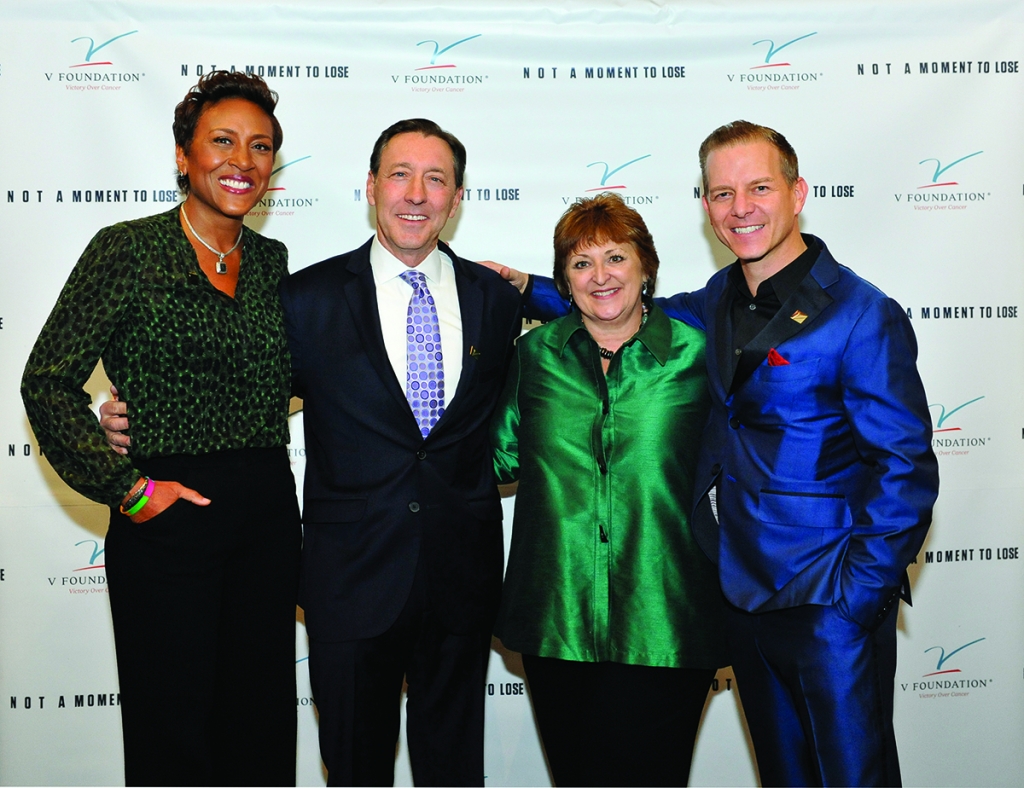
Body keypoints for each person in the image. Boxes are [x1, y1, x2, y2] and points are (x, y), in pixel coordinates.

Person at [489, 120, 939, 787]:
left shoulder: (862, 313)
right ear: (706, 207)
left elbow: (904, 469)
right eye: (722, 193)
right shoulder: (717, 302)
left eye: (758, 187)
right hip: (742, 604)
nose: (740, 207)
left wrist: (855, 599)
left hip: (828, 605)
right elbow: (618, 306)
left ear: (798, 193)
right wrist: (529, 285)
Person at [21, 71, 301, 786]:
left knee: (262, 727)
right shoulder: (126, 250)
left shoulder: (273, 265)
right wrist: (125, 486)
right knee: (172, 733)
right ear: (184, 155)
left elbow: (285, 381)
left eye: (261, 146)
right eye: (223, 142)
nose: (243, 161)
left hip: (267, 518)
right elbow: (47, 380)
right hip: (167, 520)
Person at [280, 119, 521, 786]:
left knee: (454, 770)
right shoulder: (306, 299)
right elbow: (244, 396)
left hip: (460, 581)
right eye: (400, 174)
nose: (416, 194)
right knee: (356, 770)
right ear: (370, 187)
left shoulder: (496, 301)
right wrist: (137, 415)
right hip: (349, 583)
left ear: (457, 197)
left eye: (436, 178)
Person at [490, 193, 724, 787]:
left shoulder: (700, 360)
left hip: (667, 620)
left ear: (646, 268)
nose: (601, 277)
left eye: (616, 257)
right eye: (582, 262)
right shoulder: (532, 357)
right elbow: (493, 458)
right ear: (563, 280)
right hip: (557, 617)